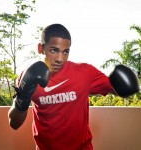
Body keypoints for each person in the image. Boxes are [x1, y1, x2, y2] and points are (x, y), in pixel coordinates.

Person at [8, 23, 139, 150]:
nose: (60, 58)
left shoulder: (85, 72)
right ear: (40, 48)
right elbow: (14, 123)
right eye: (54, 50)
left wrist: (125, 85)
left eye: (65, 52)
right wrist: (23, 97)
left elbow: (114, 89)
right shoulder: (28, 76)